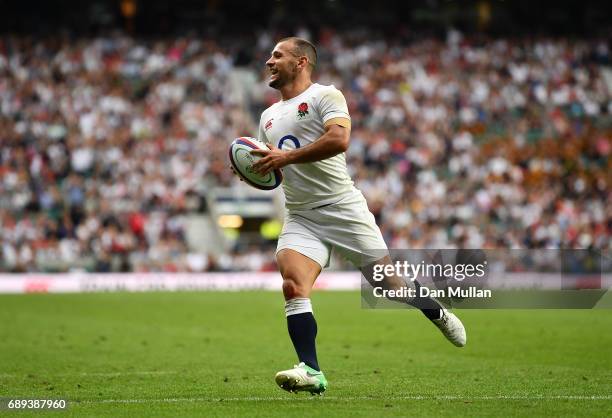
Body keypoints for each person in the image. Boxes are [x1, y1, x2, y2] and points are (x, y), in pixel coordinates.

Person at [242, 37, 466, 395]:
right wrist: (253, 170)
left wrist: (285, 158)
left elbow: (339, 140)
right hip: (301, 215)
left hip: (343, 208)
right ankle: (312, 370)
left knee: (388, 287)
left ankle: (433, 309)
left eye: (277, 55)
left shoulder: (325, 96)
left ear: (301, 62)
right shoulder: (268, 116)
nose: (269, 61)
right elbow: (270, 168)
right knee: (293, 286)